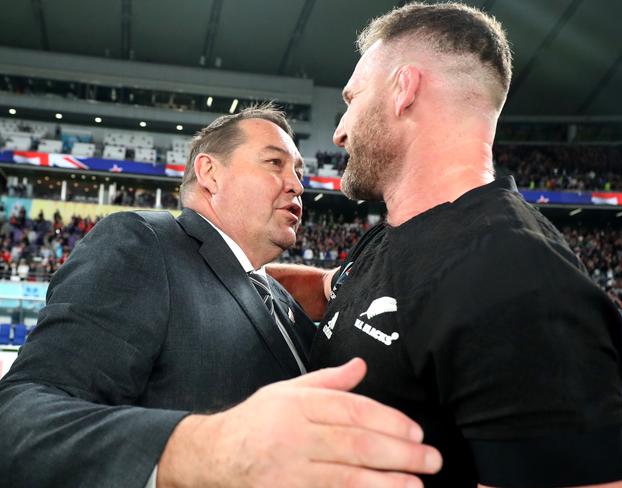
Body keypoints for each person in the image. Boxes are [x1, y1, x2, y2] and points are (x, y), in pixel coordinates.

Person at [269, 3, 622, 487]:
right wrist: (221, 271)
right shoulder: (401, 233)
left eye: (352, 98)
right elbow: (330, 290)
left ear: (404, 89)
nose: (339, 130)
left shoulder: (515, 279)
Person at [0, 106, 441, 487]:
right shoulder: (143, 244)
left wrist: (339, 283)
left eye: (299, 172)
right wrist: (202, 452)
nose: (296, 185)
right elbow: (19, 418)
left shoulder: (272, 294)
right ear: (210, 174)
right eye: (274, 163)